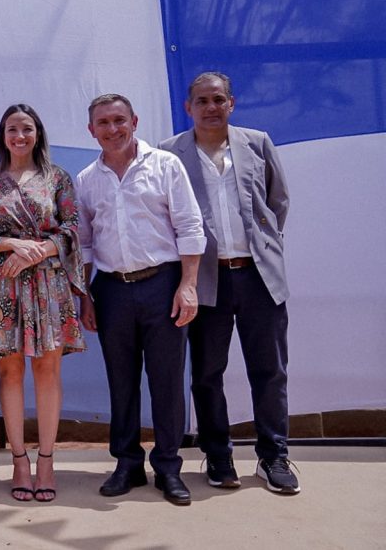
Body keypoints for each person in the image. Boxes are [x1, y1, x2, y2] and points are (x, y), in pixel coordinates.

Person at [159, 72, 298, 494]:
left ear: (231, 103)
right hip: (205, 280)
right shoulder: (170, 153)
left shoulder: (257, 143)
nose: (210, 107)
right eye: (201, 101)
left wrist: (263, 246)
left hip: (258, 276)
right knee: (206, 373)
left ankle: (273, 457)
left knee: (269, 371)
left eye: (218, 99)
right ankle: (218, 456)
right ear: (189, 108)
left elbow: (278, 202)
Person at [77, 93, 205, 506]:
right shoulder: (86, 179)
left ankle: (168, 466)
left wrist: (188, 285)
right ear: (91, 130)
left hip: (162, 284)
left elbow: (189, 225)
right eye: (103, 123)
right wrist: (86, 296)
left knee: (167, 381)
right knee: (121, 381)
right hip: (111, 289)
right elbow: (84, 244)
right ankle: (127, 463)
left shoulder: (165, 166)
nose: (112, 129)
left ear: (134, 120)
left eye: (119, 120)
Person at [0, 104, 87, 503]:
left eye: (26, 129)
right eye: (11, 129)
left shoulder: (57, 179)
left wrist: (36, 251)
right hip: (3, 287)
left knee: (48, 370)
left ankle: (48, 460)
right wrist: (10, 244)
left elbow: (72, 228)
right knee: (10, 373)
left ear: (38, 133)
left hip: (48, 284)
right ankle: (19, 460)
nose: (19, 136)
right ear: (2, 135)